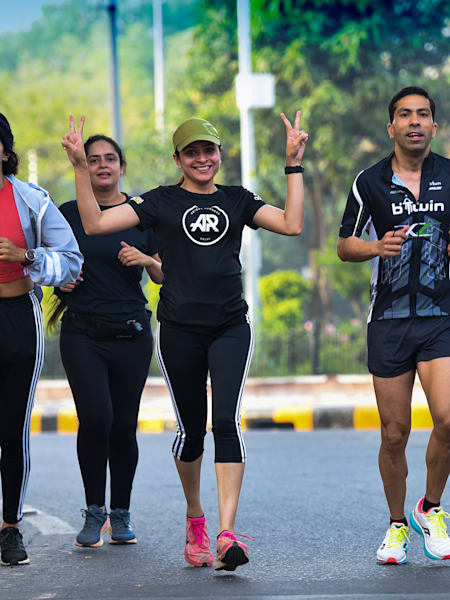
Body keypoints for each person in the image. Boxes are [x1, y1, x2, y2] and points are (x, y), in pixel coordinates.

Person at [62, 111, 307, 571]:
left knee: (226, 421)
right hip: (179, 330)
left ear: (219, 155)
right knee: (191, 431)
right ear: (178, 158)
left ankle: (226, 533)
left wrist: (292, 164)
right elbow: (94, 225)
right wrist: (80, 166)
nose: (201, 159)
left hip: (231, 326)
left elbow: (292, 224)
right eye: (191, 152)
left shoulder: (237, 200)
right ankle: (196, 515)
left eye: (208, 150)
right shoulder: (158, 202)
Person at [337, 86, 450, 565]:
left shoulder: (449, 174)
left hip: (441, 316)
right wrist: (375, 247)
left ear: (434, 125)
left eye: (423, 114)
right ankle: (398, 523)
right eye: (405, 115)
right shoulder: (370, 181)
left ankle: (432, 507)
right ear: (392, 127)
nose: (415, 122)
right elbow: (344, 245)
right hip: (387, 320)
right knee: (394, 433)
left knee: (448, 418)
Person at [49, 134, 162, 548]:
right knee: (96, 419)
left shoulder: (141, 214)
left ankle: (121, 513)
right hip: (82, 333)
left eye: (109, 159)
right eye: (93, 160)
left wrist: (147, 260)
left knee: (123, 426)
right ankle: (94, 511)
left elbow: (164, 274)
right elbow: (50, 264)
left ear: (121, 166)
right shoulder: (65, 215)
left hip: (131, 333)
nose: (101, 166)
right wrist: (63, 280)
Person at [0, 113, 82, 566]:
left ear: (4, 150)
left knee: (11, 427)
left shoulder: (30, 200)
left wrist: (26, 256)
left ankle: (9, 528)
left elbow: (71, 261)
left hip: (16, 316)